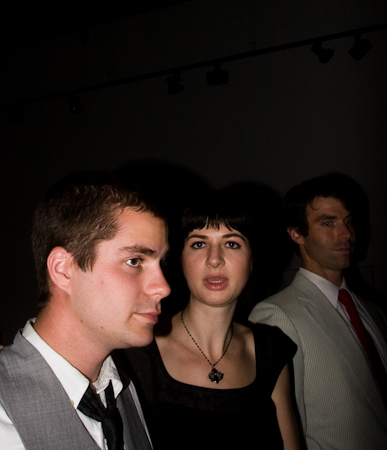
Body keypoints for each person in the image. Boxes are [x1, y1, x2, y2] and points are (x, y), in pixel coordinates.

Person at [0, 171, 170, 449]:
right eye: (134, 261)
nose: (163, 287)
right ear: (63, 270)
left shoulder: (124, 394)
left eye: (161, 264)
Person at [122, 190, 300, 449]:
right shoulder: (136, 352)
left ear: (252, 260)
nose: (214, 260)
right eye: (199, 244)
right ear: (180, 258)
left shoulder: (271, 351)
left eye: (232, 244)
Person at [250, 174, 387, 450]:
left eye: (348, 221)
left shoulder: (375, 312)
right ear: (296, 233)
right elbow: (277, 432)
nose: (346, 234)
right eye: (328, 223)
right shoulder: (276, 315)